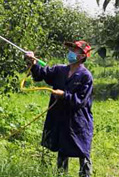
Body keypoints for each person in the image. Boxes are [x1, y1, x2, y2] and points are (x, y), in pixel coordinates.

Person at [25, 41, 94, 177]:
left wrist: (64, 95)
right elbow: (42, 74)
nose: (71, 53)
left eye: (74, 50)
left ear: (82, 56)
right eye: (71, 49)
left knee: (83, 152)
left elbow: (80, 101)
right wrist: (33, 63)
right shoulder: (60, 70)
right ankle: (61, 175)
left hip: (78, 121)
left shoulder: (86, 76)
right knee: (63, 150)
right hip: (61, 118)